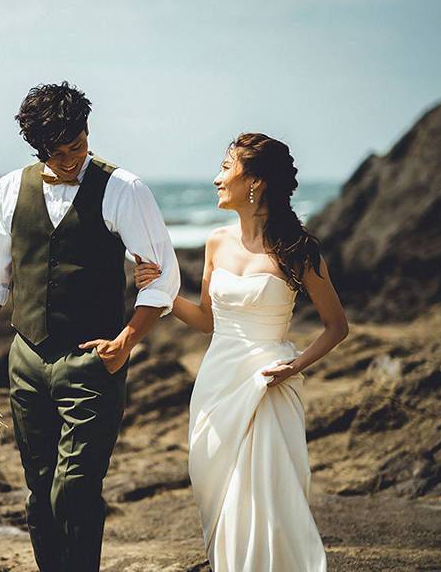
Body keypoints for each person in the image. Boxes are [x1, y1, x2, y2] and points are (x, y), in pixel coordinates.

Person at [0, 81, 180, 572]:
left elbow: (163, 276)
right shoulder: (12, 188)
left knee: (75, 487)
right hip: (26, 360)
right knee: (39, 490)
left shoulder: (124, 189)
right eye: (62, 151)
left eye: (81, 143)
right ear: (39, 149)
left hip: (93, 360)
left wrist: (126, 342)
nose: (76, 156)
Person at [133, 133, 349, 571]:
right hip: (216, 384)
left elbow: (337, 327)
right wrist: (159, 292)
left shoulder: (299, 250)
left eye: (226, 167)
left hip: (267, 385)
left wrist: (294, 366)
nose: (216, 178)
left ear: (255, 182)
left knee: (267, 502)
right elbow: (208, 322)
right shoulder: (216, 242)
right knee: (218, 496)